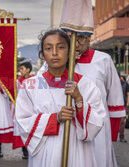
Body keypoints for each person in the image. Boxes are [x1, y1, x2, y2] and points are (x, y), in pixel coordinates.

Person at [15, 29, 106, 167]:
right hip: (45, 152)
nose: (54, 53)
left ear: (70, 52)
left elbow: (97, 123)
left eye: (61, 47)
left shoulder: (86, 85)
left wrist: (79, 100)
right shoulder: (30, 86)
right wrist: (55, 118)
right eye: (48, 48)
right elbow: (23, 121)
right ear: (43, 55)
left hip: (79, 151)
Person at [38, 31, 125, 167]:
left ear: (89, 38)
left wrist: (113, 131)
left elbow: (115, 97)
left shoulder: (103, 60)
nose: (76, 44)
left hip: (95, 126)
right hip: (62, 126)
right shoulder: (52, 62)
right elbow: (39, 92)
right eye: (71, 38)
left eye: (81, 38)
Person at [14, 61, 34, 159]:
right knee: (22, 128)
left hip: (32, 109)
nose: (20, 71)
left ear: (28, 70)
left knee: (31, 129)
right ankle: (24, 151)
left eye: (22, 69)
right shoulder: (18, 81)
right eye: (20, 69)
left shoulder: (34, 80)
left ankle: (31, 149)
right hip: (22, 108)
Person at [119, 75, 129, 142]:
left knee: (122, 121)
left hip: (122, 105)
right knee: (121, 122)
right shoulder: (125, 83)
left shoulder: (125, 84)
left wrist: (127, 105)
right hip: (116, 104)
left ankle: (121, 136)